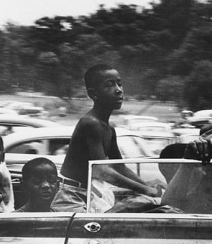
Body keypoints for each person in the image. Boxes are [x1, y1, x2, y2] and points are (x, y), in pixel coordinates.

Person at [53, 64, 161, 212]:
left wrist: (147, 186)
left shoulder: (109, 128)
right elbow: (102, 171)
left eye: (120, 84)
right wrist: (145, 189)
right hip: (72, 198)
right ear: (93, 94)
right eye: (109, 85)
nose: (118, 90)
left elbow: (119, 166)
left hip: (92, 195)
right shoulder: (90, 124)